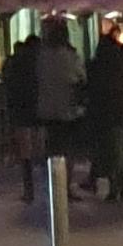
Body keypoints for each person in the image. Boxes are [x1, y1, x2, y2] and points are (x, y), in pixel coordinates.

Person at [82, 15, 123, 205]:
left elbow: (88, 88)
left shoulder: (95, 67)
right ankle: (122, 186)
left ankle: (113, 187)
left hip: (103, 115)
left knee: (109, 151)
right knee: (121, 152)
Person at [30, 13, 85, 192]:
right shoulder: (70, 56)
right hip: (67, 109)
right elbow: (80, 78)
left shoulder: (42, 57)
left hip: (46, 108)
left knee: (52, 148)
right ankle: (65, 185)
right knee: (68, 149)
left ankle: (53, 184)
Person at [3, 24, 45, 201]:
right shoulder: (40, 63)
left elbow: (9, 84)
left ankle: (29, 190)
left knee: (26, 152)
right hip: (39, 110)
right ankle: (46, 187)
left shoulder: (14, 63)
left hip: (21, 111)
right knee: (41, 149)